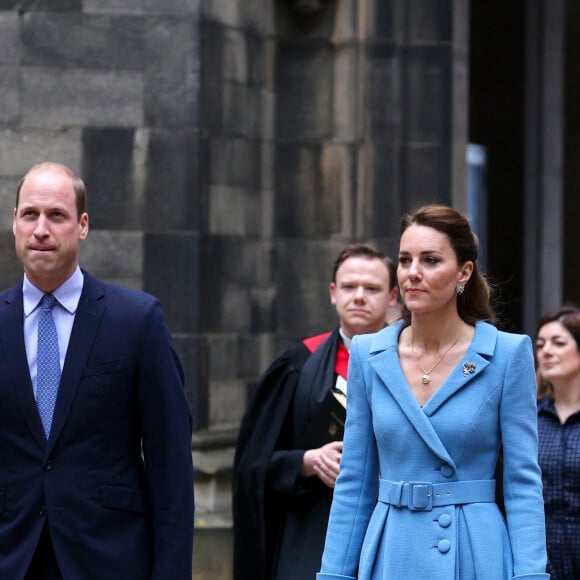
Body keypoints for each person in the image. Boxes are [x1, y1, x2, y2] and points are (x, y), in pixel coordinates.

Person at [318, 204, 548, 579]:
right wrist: (333, 574)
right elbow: (354, 483)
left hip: (475, 553)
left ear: (463, 272)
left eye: (430, 260)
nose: (413, 273)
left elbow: (523, 483)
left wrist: (532, 574)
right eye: (405, 260)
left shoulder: (507, 354)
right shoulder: (368, 355)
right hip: (392, 551)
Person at [0, 162, 195, 579]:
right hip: (11, 556)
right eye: (30, 214)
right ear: (14, 221)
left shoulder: (137, 320)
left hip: (109, 558)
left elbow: (171, 467)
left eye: (57, 215)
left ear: (82, 225)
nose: (41, 230)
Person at [232, 244, 399, 580]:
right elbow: (252, 463)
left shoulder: (415, 364)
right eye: (350, 287)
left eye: (372, 288)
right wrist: (305, 462)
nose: (360, 297)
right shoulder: (298, 365)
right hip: (311, 531)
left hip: (392, 528)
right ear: (333, 293)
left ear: (393, 296)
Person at [535, 306, 580, 579]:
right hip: (542, 564)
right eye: (541, 345)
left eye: (559, 343)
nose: (546, 351)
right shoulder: (530, 419)